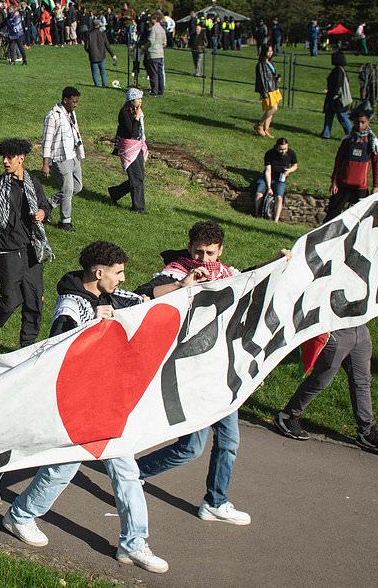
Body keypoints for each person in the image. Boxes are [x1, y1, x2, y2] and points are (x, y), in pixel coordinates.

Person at [1, 240, 168, 573]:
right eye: (118, 273)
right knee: (63, 468)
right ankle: (20, 516)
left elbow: (145, 298)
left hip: (109, 406)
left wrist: (184, 286)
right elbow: (59, 349)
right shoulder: (70, 305)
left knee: (126, 473)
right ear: (99, 272)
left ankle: (133, 544)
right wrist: (93, 320)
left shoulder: (113, 296)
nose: (122, 279)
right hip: (78, 407)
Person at [134, 221, 252, 527]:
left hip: (222, 372)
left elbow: (256, 283)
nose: (203, 259)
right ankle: (133, 473)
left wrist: (282, 263)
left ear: (220, 251)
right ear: (190, 248)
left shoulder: (228, 273)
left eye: (210, 253)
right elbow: (143, 294)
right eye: (198, 252)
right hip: (191, 372)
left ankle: (215, 501)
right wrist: (183, 284)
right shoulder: (175, 271)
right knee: (191, 448)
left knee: (229, 441)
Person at [0, 139, 52, 353]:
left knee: (34, 299)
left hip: (32, 250)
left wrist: (43, 213)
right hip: (8, 251)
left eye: (10, 158)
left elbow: (45, 206)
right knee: (10, 300)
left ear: (21, 158)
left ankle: (27, 345)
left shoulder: (32, 182)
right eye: (4, 157)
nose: (5, 161)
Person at [274, 324, 378, 455]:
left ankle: (366, 432)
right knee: (320, 381)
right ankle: (288, 416)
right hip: (337, 332)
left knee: (362, 383)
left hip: (361, 331)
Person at [41, 86, 84, 231]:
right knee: (67, 190)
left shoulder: (71, 113)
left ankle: (49, 203)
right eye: (74, 102)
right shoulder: (52, 116)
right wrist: (46, 164)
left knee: (77, 187)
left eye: (77, 102)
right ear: (65, 100)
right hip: (60, 158)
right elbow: (46, 142)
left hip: (73, 156)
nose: (75, 104)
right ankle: (65, 222)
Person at [327, 110, 378, 221]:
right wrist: (334, 181)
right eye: (357, 122)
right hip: (343, 186)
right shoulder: (347, 140)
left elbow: (377, 164)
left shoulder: (372, 141)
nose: (360, 125)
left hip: (360, 188)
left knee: (358, 220)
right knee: (331, 217)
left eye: (363, 122)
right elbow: (338, 162)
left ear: (368, 123)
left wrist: (376, 186)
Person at [108, 88, 148, 213]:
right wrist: (137, 118)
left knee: (139, 177)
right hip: (129, 147)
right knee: (136, 178)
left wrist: (138, 116)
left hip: (138, 145)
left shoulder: (135, 110)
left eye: (141, 98)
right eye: (138, 99)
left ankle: (115, 192)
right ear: (131, 100)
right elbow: (132, 132)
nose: (140, 101)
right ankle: (138, 208)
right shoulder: (124, 113)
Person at [254, 137, 298, 222]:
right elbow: (268, 171)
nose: (283, 151)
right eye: (281, 149)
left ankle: (276, 220)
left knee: (279, 197)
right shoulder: (270, 154)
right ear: (276, 147)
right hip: (268, 176)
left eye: (285, 149)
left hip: (280, 179)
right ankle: (257, 214)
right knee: (258, 194)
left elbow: (295, 165)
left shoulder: (291, 153)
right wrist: (269, 187)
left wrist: (289, 171)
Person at [321, 50, 354, 139]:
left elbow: (337, 85)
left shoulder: (338, 70)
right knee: (329, 115)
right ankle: (325, 133)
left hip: (338, 98)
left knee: (342, 117)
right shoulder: (341, 70)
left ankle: (352, 134)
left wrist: (331, 93)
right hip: (335, 97)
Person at [254, 44, 280, 137]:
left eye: (271, 51)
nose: (270, 53)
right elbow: (262, 79)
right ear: (264, 52)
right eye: (269, 51)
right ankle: (259, 124)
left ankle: (266, 129)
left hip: (273, 88)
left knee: (271, 109)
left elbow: (271, 76)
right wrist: (264, 93)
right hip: (268, 89)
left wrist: (276, 78)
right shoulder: (261, 65)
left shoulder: (270, 63)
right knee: (273, 108)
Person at [84, 23, 117, 88]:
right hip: (102, 56)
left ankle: (97, 85)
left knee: (94, 73)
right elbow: (108, 46)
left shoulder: (89, 34)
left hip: (93, 56)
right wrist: (113, 55)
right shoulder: (103, 34)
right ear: (99, 26)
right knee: (103, 72)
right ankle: (104, 85)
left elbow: (86, 47)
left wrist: (90, 52)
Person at [144, 13, 165, 96]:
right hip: (160, 53)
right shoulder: (162, 29)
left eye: (152, 19)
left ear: (155, 19)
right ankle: (161, 90)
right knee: (160, 73)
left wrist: (144, 48)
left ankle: (154, 91)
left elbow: (151, 41)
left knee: (153, 73)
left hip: (153, 53)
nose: (150, 21)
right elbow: (165, 42)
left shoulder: (154, 29)